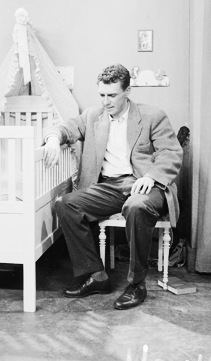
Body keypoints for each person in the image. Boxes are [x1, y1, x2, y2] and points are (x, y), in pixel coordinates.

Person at [43, 64, 183, 310]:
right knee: (66, 204)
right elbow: (65, 128)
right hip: (109, 186)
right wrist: (53, 139)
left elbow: (171, 153)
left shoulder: (152, 115)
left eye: (112, 95)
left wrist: (151, 177)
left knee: (136, 207)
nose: (106, 101)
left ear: (127, 92)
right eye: (102, 95)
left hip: (145, 184)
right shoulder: (92, 116)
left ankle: (137, 284)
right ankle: (96, 276)